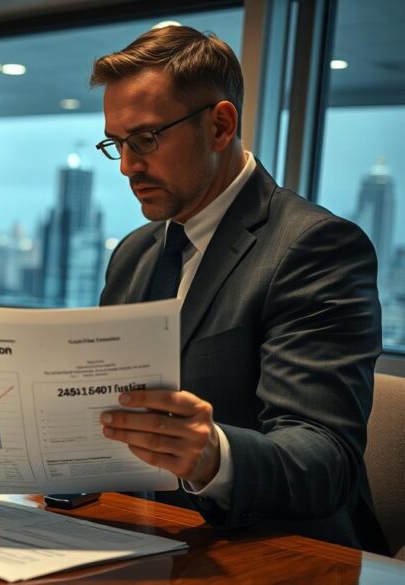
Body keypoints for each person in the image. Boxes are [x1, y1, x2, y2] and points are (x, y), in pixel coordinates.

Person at [92, 26, 387, 553]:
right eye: (117, 143)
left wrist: (214, 455)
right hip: (138, 532)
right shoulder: (133, 253)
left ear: (220, 126)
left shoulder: (315, 247)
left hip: (274, 552)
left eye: (146, 139)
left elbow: (325, 459)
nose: (129, 166)